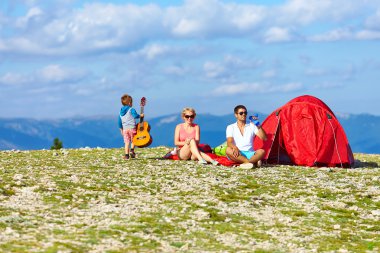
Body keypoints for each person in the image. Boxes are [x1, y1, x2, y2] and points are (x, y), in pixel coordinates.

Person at [118, 94, 143, 160]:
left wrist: (121, 129)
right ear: (129, 103)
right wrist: (140, 115)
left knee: (126, 142)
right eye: (131, 102)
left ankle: (126, 155)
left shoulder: (120, 112)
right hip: (132, 128)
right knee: (133, 140)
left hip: (125, 129)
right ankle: (132, 150)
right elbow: (135, 116)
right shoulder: (131, 109)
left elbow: (119, 122)